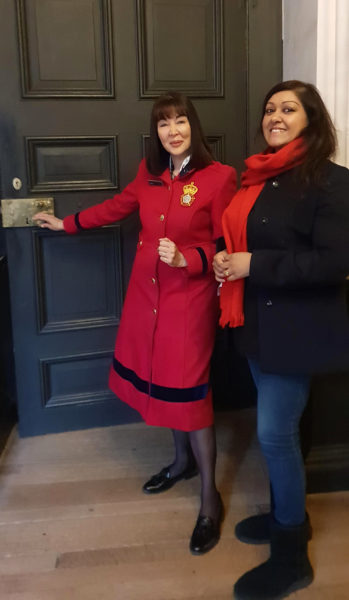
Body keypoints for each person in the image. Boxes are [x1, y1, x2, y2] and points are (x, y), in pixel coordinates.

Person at [34, 91, 237, 555]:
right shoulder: (150, 176)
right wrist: (66, 224)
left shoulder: (219, 177)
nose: (173, 130)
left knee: (191, 394)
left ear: (194, 126)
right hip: (146, 300)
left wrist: (190, 257)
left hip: (190, 303)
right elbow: (116, 207)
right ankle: (180, 461)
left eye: (180, 120)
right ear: (157, 132)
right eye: (164, 123)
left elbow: (226, 247)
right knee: (162, 381)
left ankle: (210, 500)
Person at [213, 80, 349, 600]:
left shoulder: (331, 183)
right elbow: (245, 240)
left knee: (274, 434)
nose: (275, 115)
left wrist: (254, 264)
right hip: (255, 326)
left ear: (311, 121)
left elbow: (336, 262)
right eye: (270, 108)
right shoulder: (258, 179)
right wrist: (231, 260)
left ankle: (292, 556)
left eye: (288, 109)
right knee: (279, 435)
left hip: (298, 331)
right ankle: (286, 518)